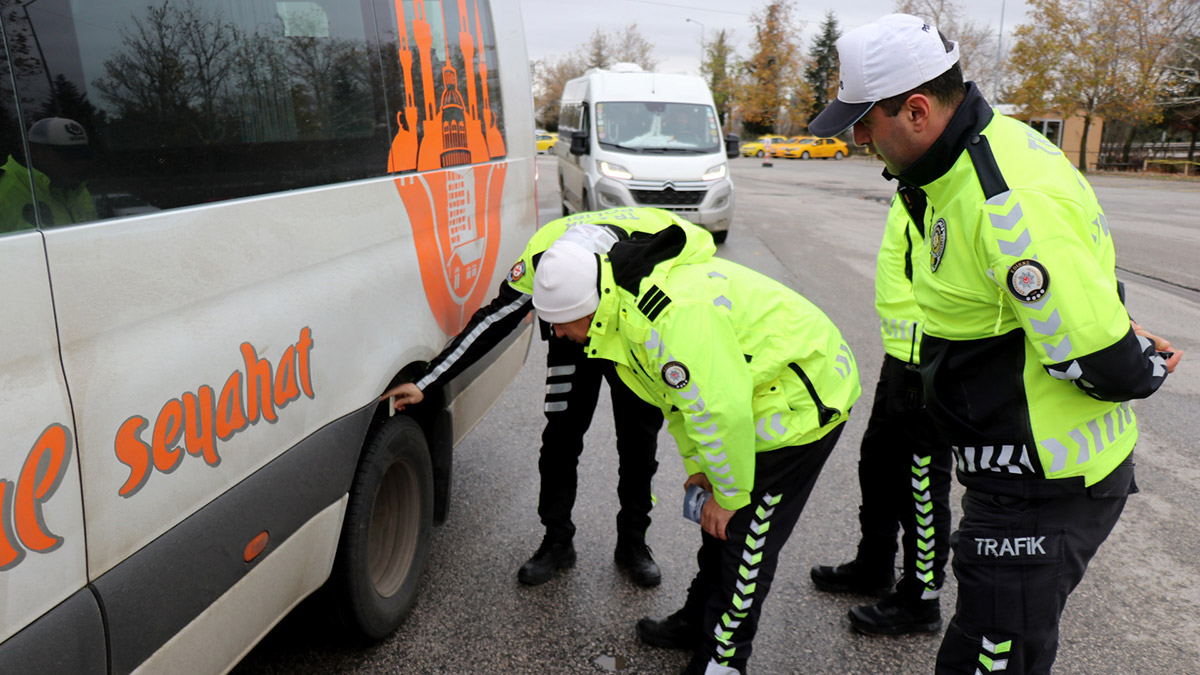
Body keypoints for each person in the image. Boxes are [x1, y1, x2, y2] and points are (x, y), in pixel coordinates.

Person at [809, 13, 1183, 673]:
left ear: (917, 110)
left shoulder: (1002, 198)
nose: (857, 137)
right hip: (1010, 469)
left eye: (864, 121)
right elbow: (1051, 292)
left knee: (988, 657)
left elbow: (1100, 361)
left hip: (1042, 483)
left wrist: (1140, 360)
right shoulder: (959, 161)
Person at [531, 224, 861, 675]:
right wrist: (702, 468)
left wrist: (730, 493)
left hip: (801, 399)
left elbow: (717, 411)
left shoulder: (666, 319)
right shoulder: (620, 316)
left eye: (559, 322)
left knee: (744, 540)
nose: (557, 333)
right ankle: (698, 621)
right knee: (717, 522)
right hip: (749, 395)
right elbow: (678, 402)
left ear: (586, 309)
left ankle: (722, 662)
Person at [383, 207, 712, 588]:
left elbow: (702, 281)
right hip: (574, 336)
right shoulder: (542, 258)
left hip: (629, 332)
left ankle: (633, 542)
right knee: (560, 441)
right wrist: (427, 381)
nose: (552, 330)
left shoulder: (660, 246)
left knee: (639, 442)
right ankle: (557, 541)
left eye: (558, 320)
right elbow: (494, 319)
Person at [809, 194, 953, 635]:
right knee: (878, 465)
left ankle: (921, 598)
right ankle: (874, 565)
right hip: (902, 355)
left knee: (921, 483)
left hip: (931, 358)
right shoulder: (912, 182)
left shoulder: (947, 183)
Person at [0, 117, 97, 233]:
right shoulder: (3, 190)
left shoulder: (77, 189)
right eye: (68, 156)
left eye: (83, 156)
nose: (79, 163)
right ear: (33, 151)